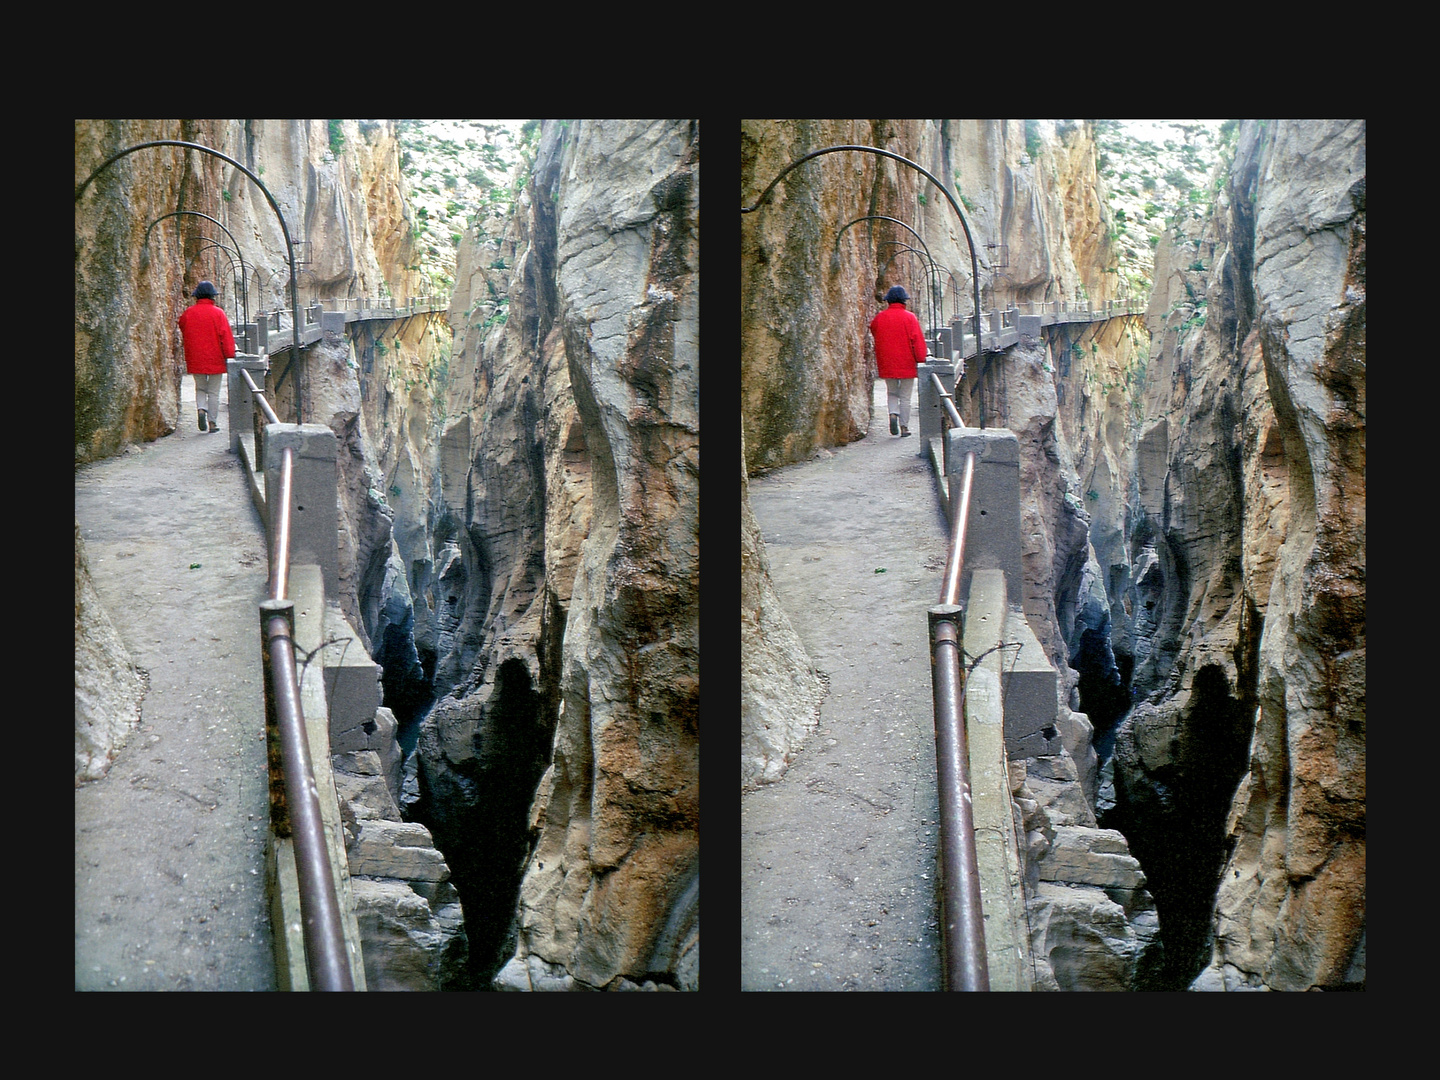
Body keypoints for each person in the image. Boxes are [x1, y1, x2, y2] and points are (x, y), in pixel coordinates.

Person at [868, 285, 929, 437]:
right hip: (907, 363)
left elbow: (874, 329)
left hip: (887, 362)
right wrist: (921, 359)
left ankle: (893, 413)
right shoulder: (910, 318)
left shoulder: (880, 318)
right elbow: (917, 341)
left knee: (892, 392)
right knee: (905, 396)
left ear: (888, 301)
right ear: (904, 301)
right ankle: (904, 426)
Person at [177, 280, 236, 434]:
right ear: (212, 296)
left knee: (201, 387)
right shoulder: (218, 313)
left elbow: (182, 325)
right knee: (214, 392)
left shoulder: (189, 312)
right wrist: (230, 355)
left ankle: (201, 409)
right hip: (215, 357)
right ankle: (212, 422)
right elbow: (226, 337)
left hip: (195, 357)